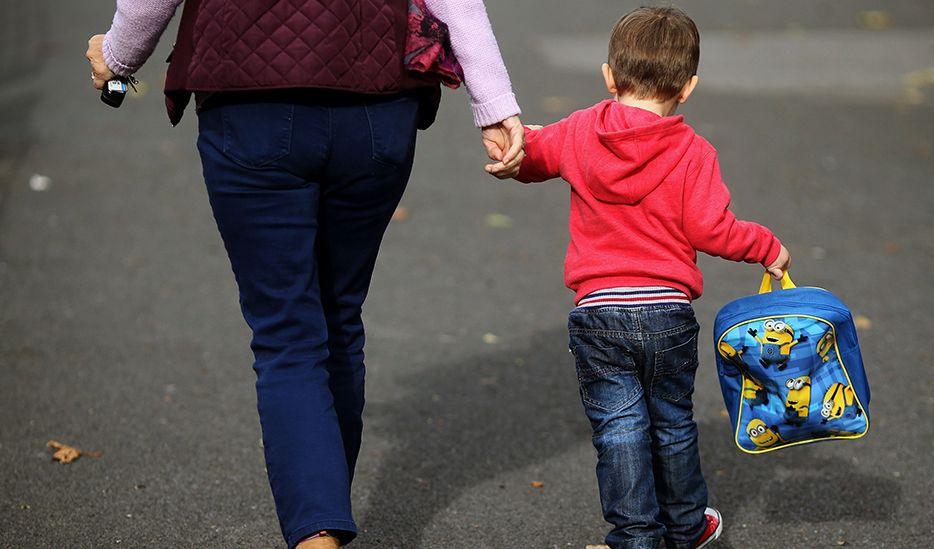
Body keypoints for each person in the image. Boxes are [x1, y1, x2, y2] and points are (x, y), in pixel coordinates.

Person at [85, 1, 523, 547]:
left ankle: (317, 533)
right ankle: (324, 522)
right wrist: (495, 103)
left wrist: (119, 56)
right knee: (339, 317)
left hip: (251, 101)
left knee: (288, 333)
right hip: (377, 103)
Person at [498, 7, 791, 548]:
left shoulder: (582, 129)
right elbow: (713, 230)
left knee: (619, 430)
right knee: (674, 423)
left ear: (609, 75)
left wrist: (516, 144)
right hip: (666, 312)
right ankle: (684, 526)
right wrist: (766, 247)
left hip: (598, 312)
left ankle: (635, 536)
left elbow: (533, 156)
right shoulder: (692, 151)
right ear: (688, 87)